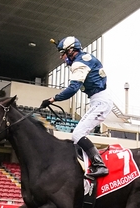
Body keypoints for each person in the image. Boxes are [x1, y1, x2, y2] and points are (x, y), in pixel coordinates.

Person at [41, 36, 111, 179]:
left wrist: (53, 99)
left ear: (72, 51)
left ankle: (100, 165)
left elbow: (73, 89)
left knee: (77, 134)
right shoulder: (85, 58)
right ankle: (85, 165)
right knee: (77, 137)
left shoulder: (79, 64)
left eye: (63, 53)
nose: (62, 57)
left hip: (100, 102)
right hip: (98, 100)